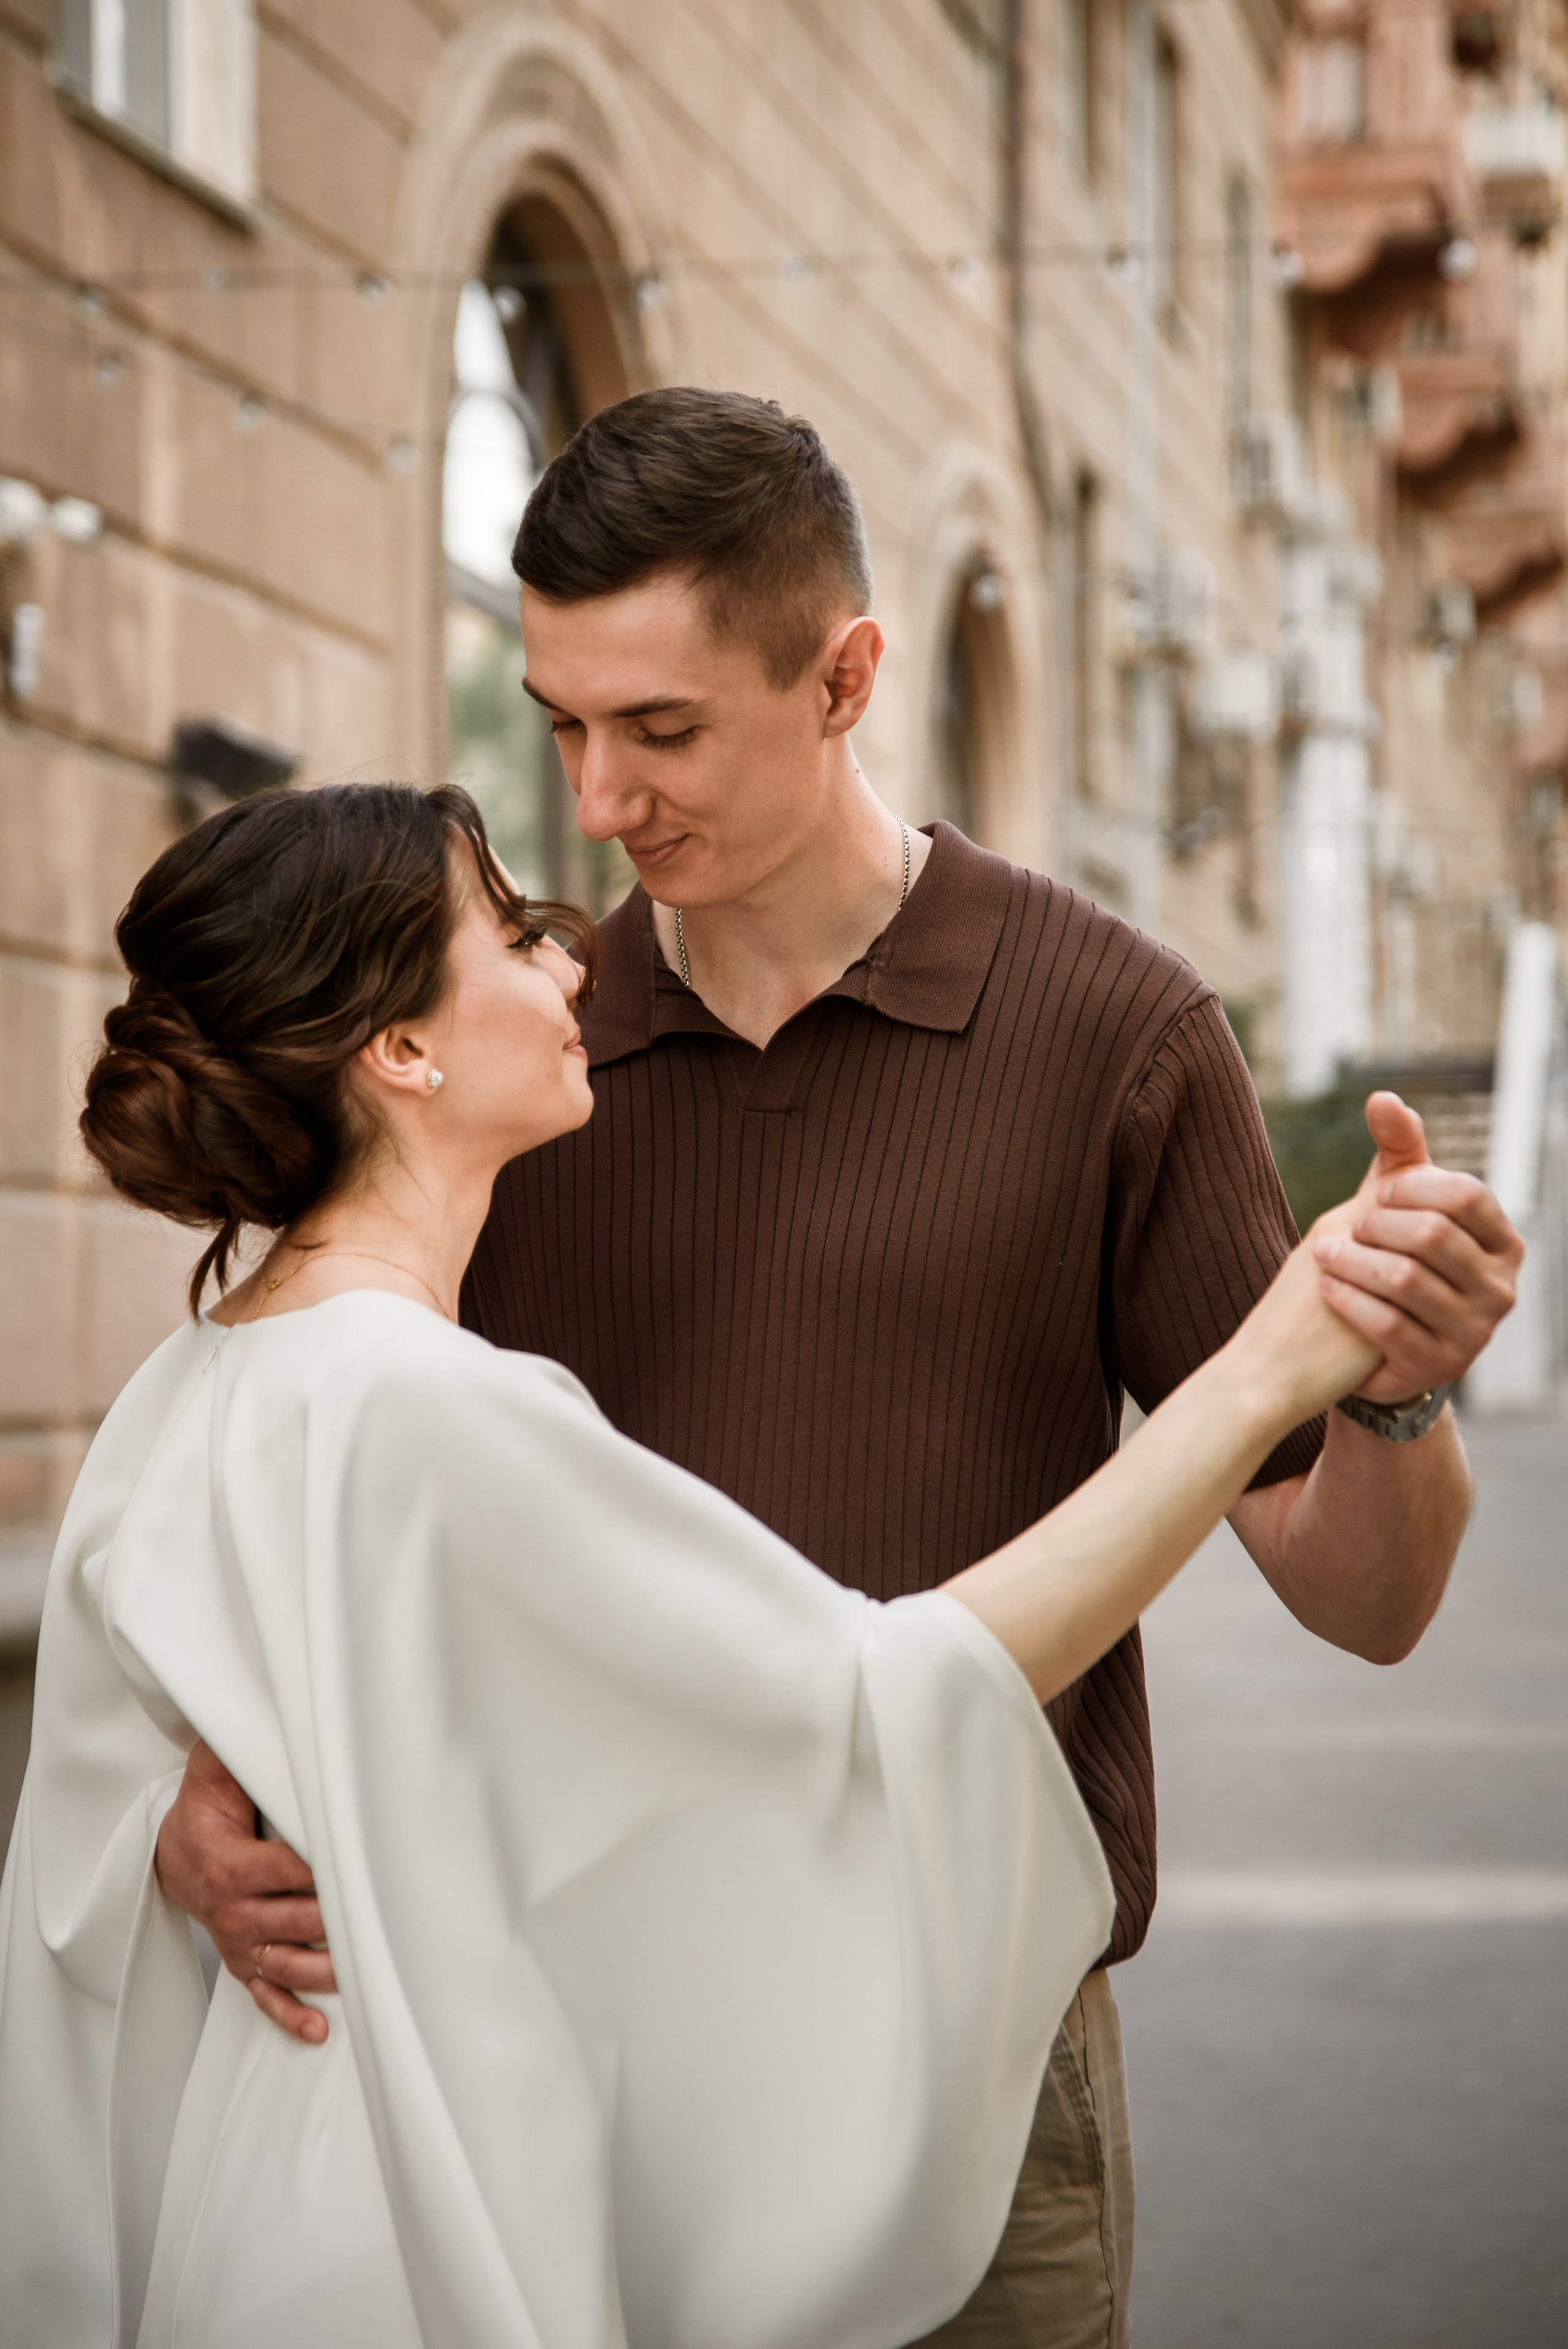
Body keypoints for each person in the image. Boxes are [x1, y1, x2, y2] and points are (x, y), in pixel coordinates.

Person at [153, 393, 1525, 2348]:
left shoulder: (1116, 1034)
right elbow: (310, 1484)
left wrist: (1390, 1385)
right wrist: (204, 1794)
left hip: (965, 2058)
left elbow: (1367, 1598)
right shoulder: (505, 1062)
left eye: (663, 728)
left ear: (846, 675)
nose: (600, 801)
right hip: (569, 2052)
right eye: (560, 724)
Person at [0, 781, 1381, 2349]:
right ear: (400, 1051)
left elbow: (76, 1850)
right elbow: (881, 1696)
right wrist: (1265, 1373)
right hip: (412, 2224)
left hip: (252, 2216)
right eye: (513, 932)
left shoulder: (185, 1388)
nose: (572, 959)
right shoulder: (432, 1409)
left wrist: (196, 1823)